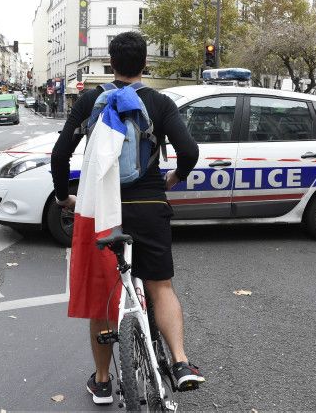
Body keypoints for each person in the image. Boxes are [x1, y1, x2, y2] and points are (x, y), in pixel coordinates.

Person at [51, 31, 204, 406]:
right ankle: (181, 363)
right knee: (160, 286)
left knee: (104, 298)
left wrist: (63, 197)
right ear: (145, 63)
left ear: (111, 63)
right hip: (148, 204)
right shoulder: (159, 102)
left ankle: (103, 382)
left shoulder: (90, 100)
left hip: (102, 209)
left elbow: (59, 155)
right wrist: (174, 176)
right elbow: (189, 150)